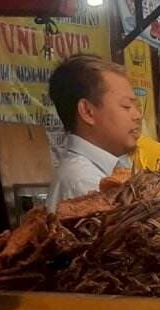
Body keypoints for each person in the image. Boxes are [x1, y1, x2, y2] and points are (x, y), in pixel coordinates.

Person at [46, 54, 142, 211]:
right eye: (126, 106)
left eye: (136, 106)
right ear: (87, 112)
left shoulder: (116, 168)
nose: (137, 116)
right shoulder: (84, 183)